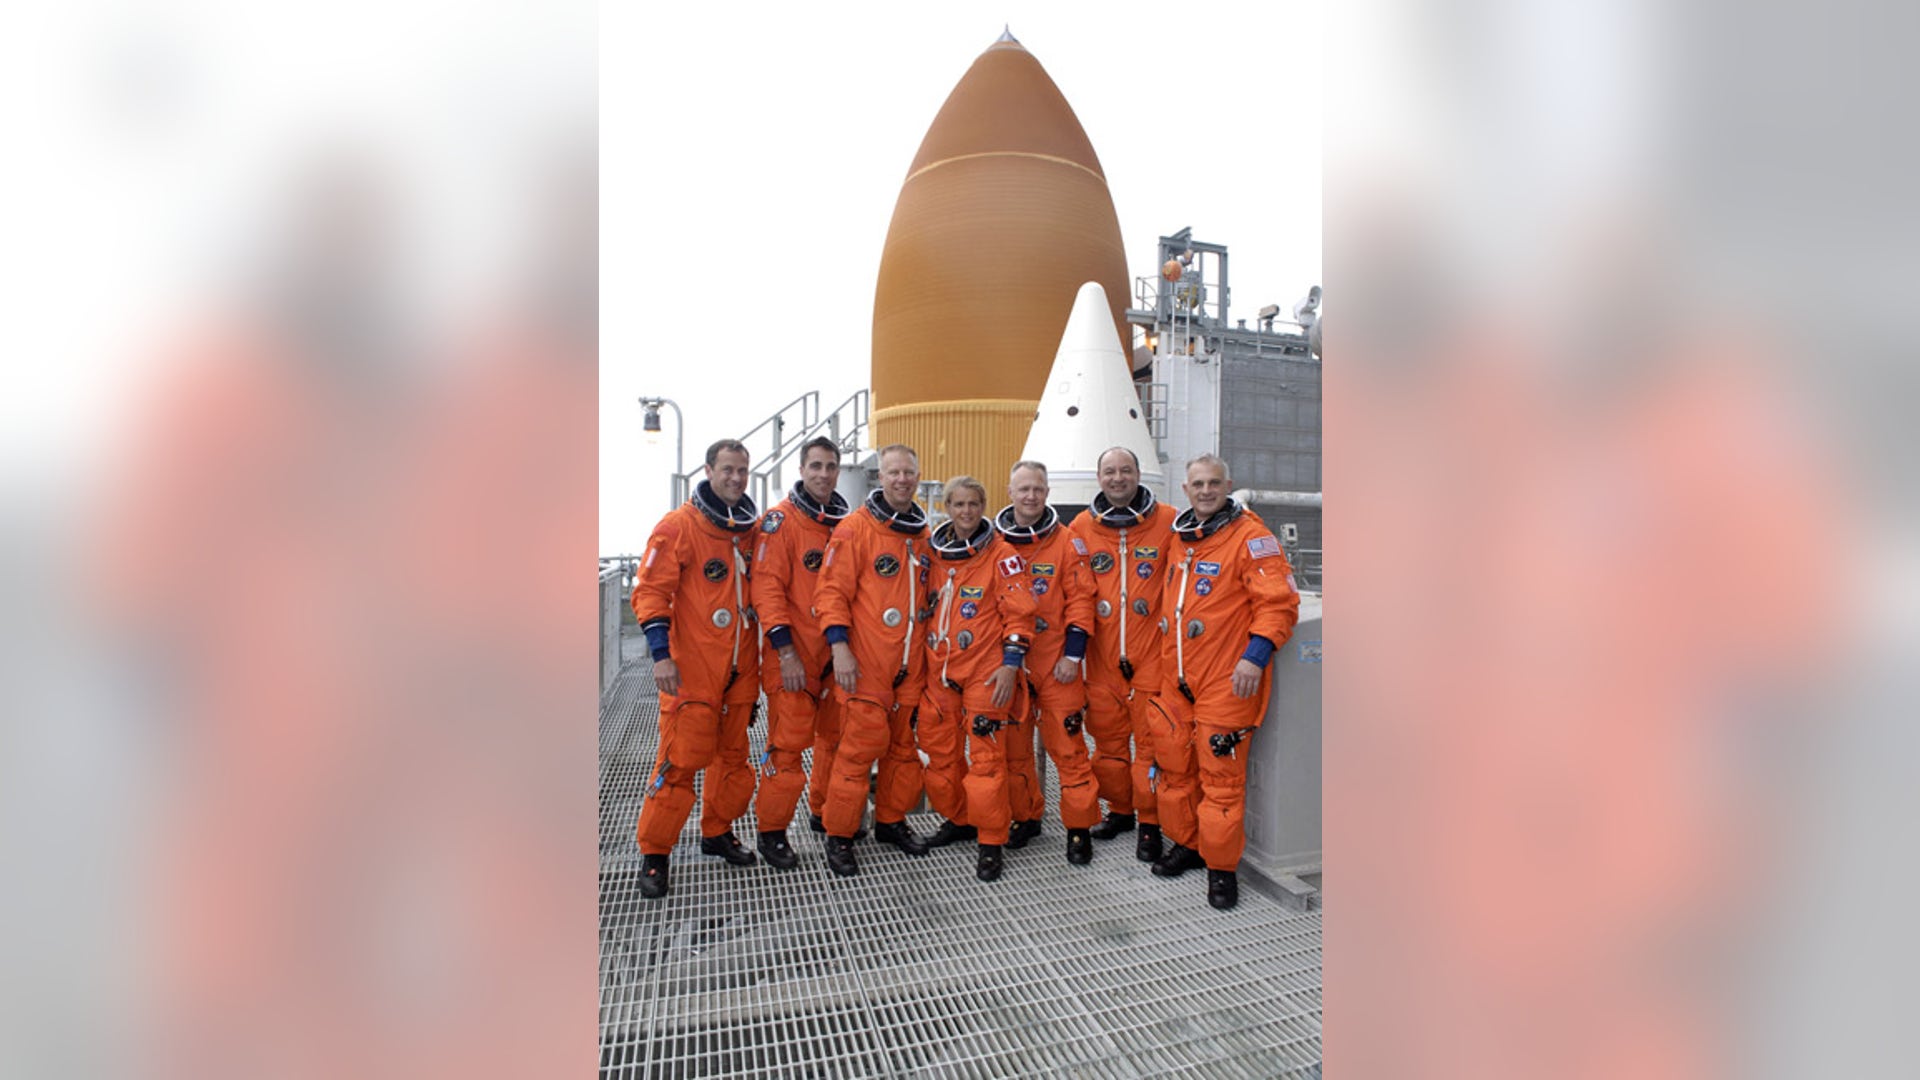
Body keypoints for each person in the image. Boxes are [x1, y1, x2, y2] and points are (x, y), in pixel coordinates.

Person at [1147, 453, 1300, 909]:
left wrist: (1255, 657)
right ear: (1185, 489)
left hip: (1226, 681)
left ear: (1228, 485)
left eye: (1214, 483)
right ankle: (1189, 845)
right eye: (1198, 484)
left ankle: (1220, 870)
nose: (1206, 491)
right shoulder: (1182, 539)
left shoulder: (1251, 538)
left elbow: (1279, 605)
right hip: (1177, 678)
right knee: (1175, 770)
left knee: (1221, 781)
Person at [630, 439, 763, 898]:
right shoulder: (678, 527)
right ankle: (655, 853)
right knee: (679, 762)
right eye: (727, 470)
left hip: (740, 668)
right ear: (708, 470)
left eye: (742, 471)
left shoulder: (748, 530)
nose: (736, 478)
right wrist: (660, 653)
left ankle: (717, 832)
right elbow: (649, 593)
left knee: (733, 760)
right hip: (692, 670)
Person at [812, 444, 935, 875]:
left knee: (903, 751)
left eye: (909, 472)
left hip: (910, 665)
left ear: (918, 477)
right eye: (894, 472)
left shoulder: (921, 536)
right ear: (880, 477)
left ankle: (891, 821)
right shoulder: (854, 530)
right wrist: (840, 648)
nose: (902, 480)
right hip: (865, 665)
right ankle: (840, 835)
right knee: (857, 753)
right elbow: (830, 594)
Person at [920, 476, 1037, 881]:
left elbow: (1020, 614)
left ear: (983, 506)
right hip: (941, 671)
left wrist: (1010, 663)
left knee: (987, 761)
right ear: (947, 508)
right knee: (941, 756)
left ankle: (991, 840)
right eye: (958, 505)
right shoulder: (933, 555)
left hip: (986, 672)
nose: (966, 512)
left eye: (973, 504)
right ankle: (960, 819)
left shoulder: (1002, 555)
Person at [1067, 445, 1180, 862]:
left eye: (1126, 470)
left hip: (1151, 656)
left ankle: (1149, 822)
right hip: (1102, 659)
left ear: (1139, 475)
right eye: (1110, 471)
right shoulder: (1080, 526)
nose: (1118, 478)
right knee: (1110, 748)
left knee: (1151, 747)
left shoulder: (1168, 521)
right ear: (1099, 478)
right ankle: (1119, 811)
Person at [749, 436, 856, 869]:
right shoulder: (780, 523)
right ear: (800, 468)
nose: (824, 474)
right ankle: (772, 832)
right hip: (793, 654)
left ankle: (823, 811)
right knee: (788, 747)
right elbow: (767, 589)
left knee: (834, 740)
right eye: (816, 466)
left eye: (831, 466)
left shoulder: (845, 525)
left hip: (837, 653)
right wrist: (786, 652)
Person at [994, 461, 1102, 864]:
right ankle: (1025, 817)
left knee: (1069, 749)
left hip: (1056, 664)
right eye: (1023, 489)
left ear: (1047, 492)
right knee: (1015, 750)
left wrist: (1072, 655)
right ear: (1010, 491)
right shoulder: (992, 543)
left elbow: (1081, 599)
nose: (1031, 496)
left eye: (1038, 489)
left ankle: (1079, 828)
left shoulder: (1067, 541)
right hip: (1011, 666)